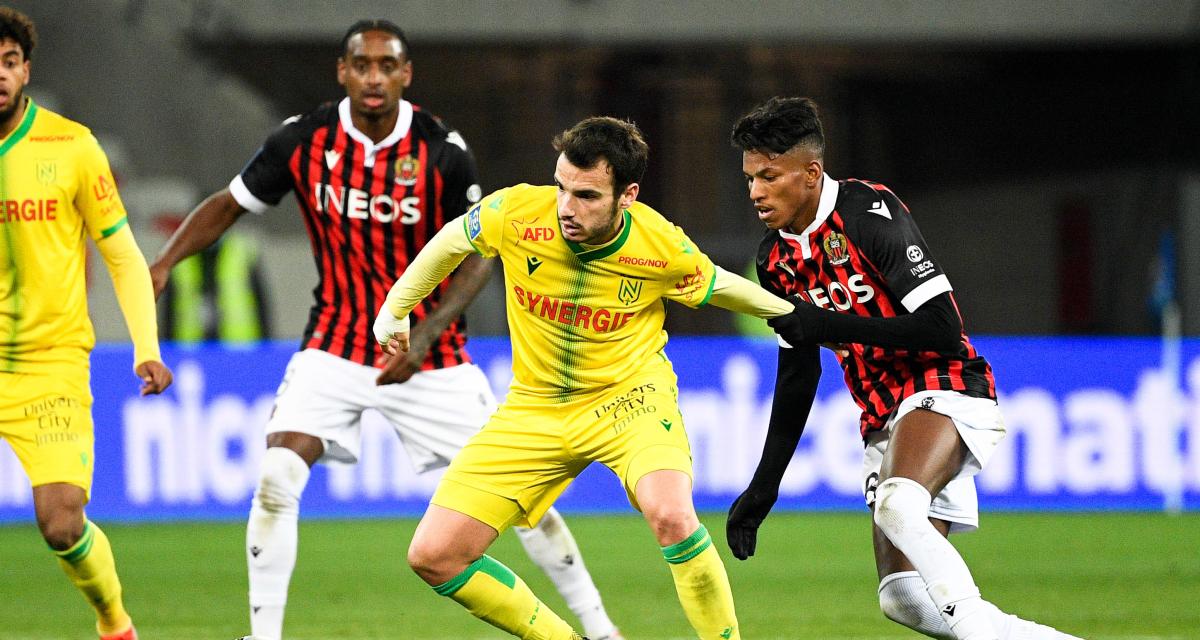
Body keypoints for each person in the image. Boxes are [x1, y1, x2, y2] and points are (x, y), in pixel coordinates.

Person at [149, 20, 624, 640]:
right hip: (335, 343)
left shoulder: (442, 151)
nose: (374, 77)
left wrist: (422, 335)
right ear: (342, 72)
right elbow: (230, 202)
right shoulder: (303, 141)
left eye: (386, 65)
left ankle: (600, 629)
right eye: (361, 64)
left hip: (434, 359)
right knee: (276, 479)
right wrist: (163, 262)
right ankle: (262, 636)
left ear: (406, 74)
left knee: (527, 507)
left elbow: (482, 253)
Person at [373, 116, 799, 640]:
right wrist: (397, 309)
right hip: (534, 407)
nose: (566, 208)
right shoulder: (516, 211)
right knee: (434, 555)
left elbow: (719, 286)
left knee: (670, 513)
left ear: (628, 195)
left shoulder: (659, 243)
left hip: (630, 400)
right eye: (561, 188)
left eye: (587, 195)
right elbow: (452, 240)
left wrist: (797, 317)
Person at [726, 96, 1084, 640]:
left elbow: (941, 328)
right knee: (904, 600)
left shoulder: (868, 213)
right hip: (882, 415)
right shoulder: (774, 260)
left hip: (945, 384)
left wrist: (826, 325)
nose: (755, 191)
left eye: (768, 176)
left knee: (898, 504)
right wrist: (764, 485)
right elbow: (799, 373)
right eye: (750, 177)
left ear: (811, 173)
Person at [0, 8, 173, 640]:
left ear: (25, 70)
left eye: (9, 61)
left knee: (62, 522)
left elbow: (123, 253)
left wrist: (145, 347)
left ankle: (114, 622)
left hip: (50, 363)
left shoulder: (70, 146)